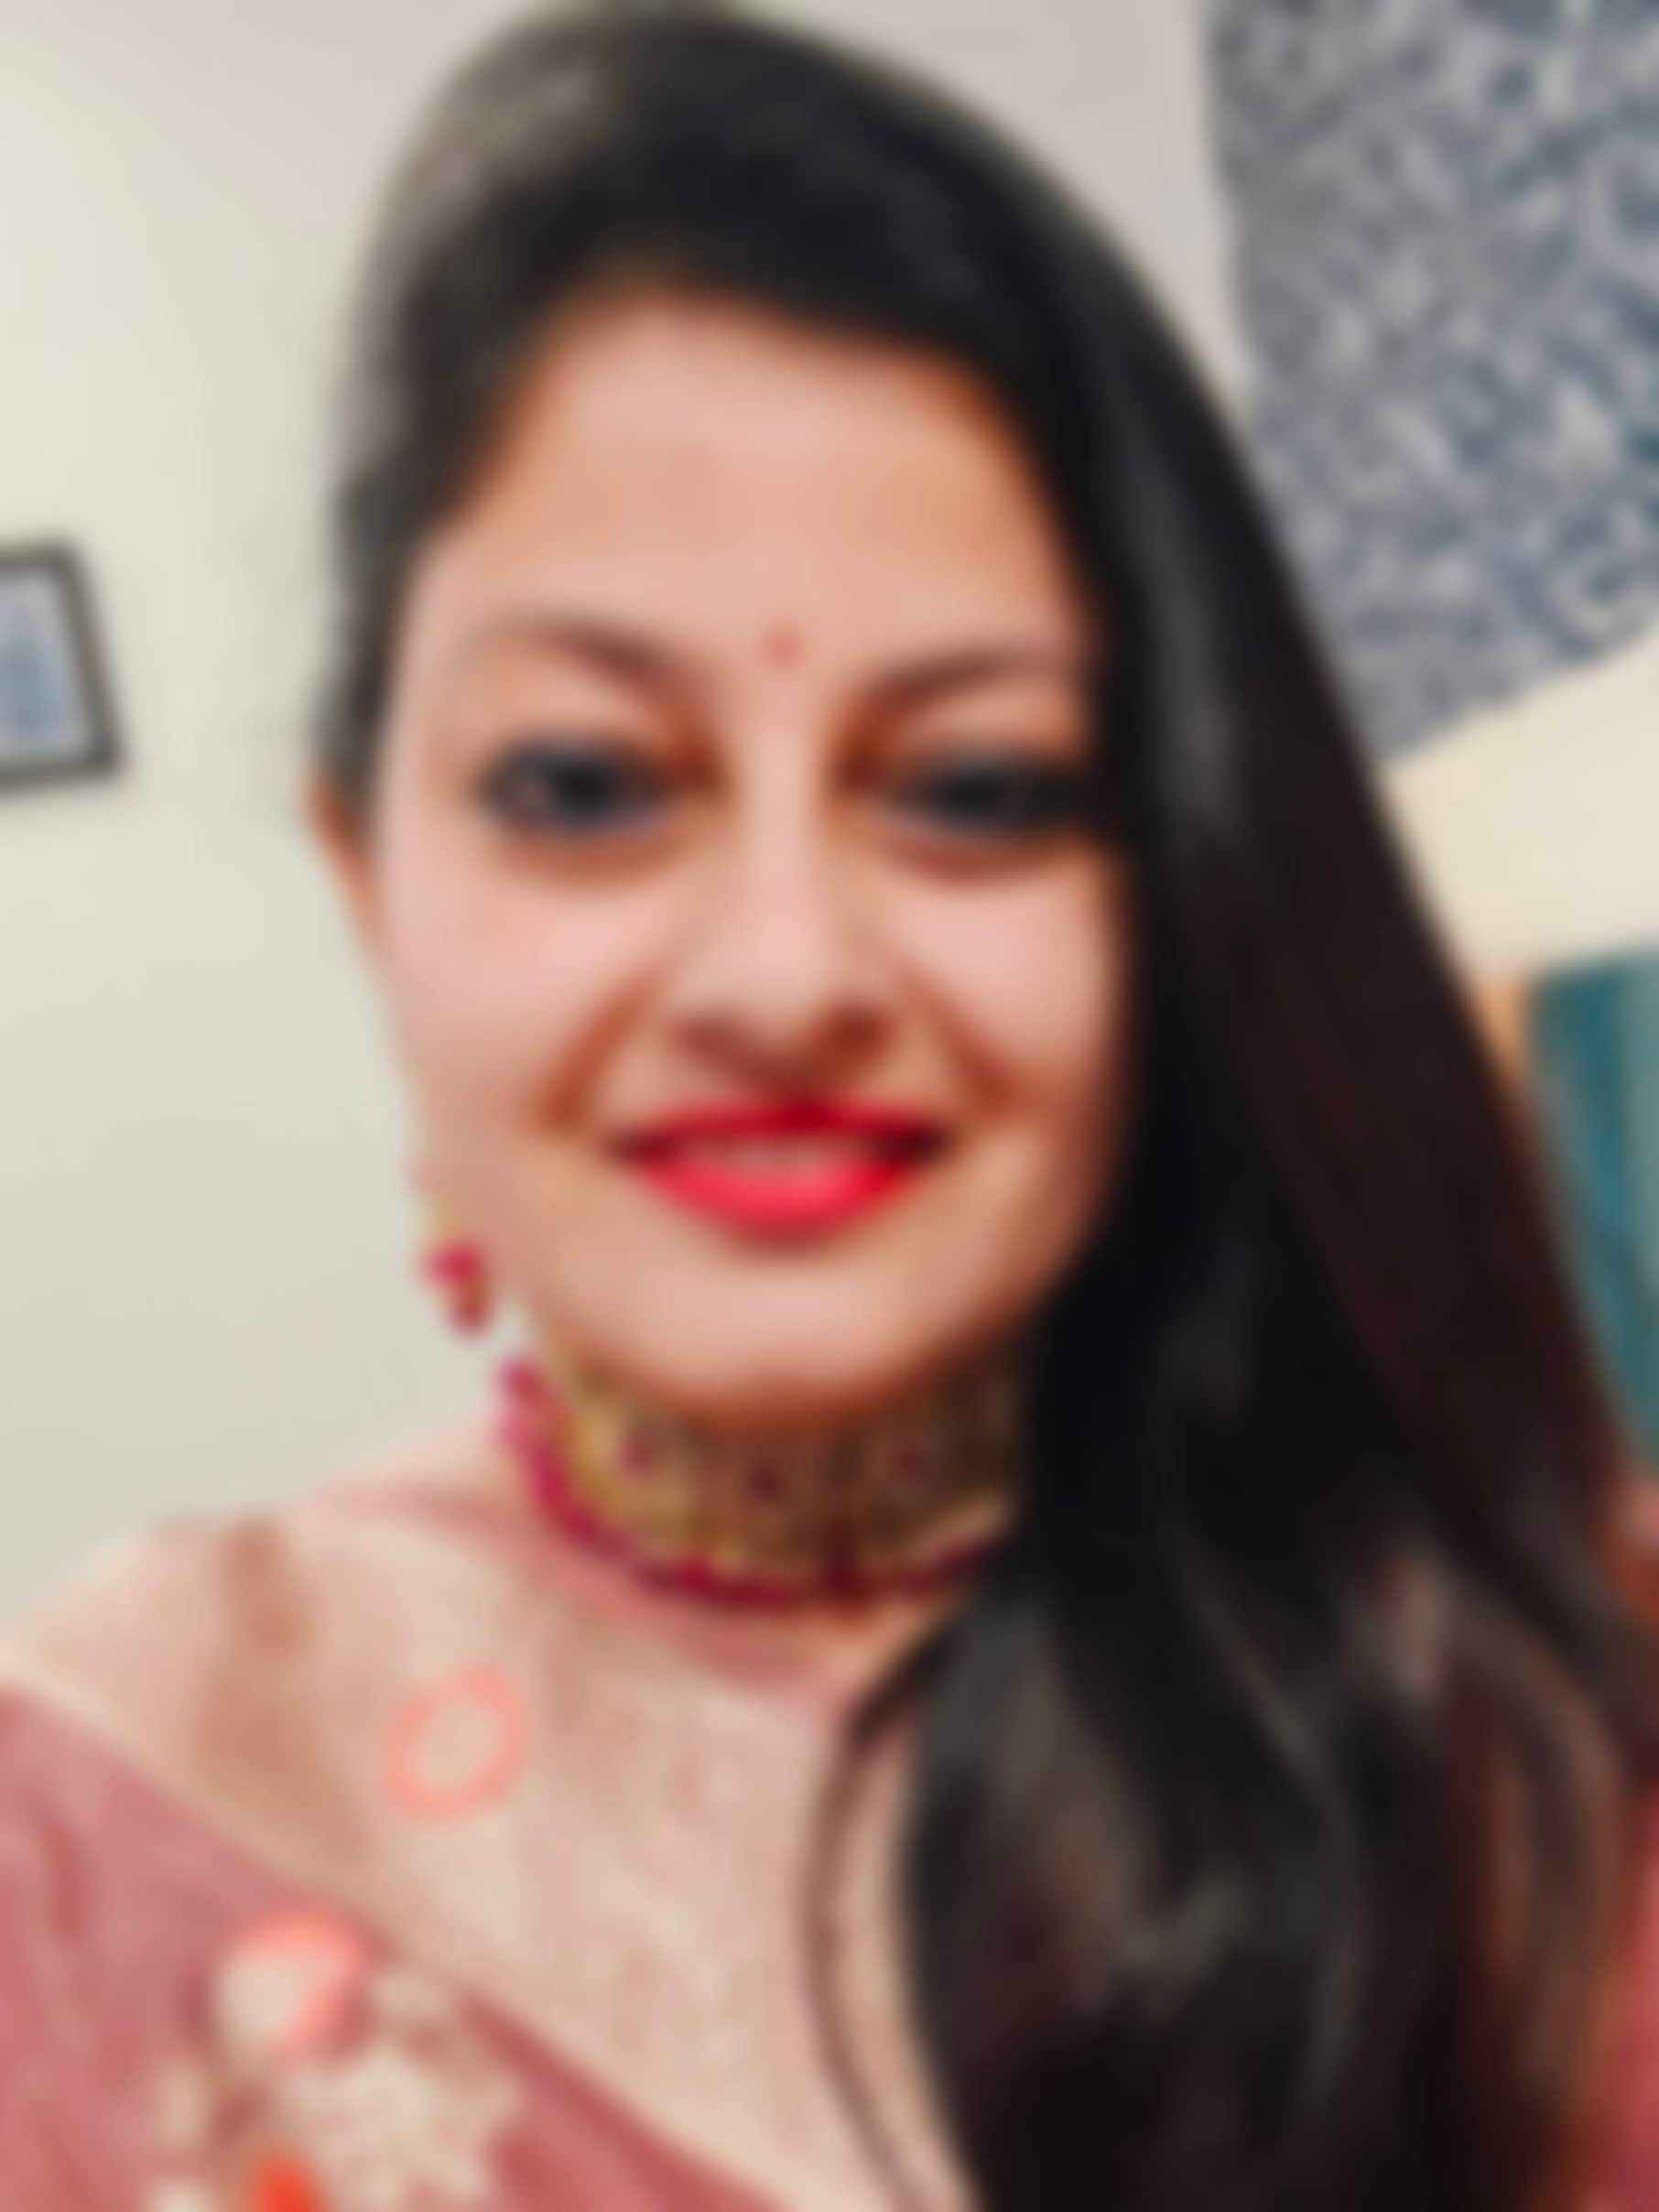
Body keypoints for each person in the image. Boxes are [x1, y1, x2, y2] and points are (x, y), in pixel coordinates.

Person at [1, 5, 1656, 2207]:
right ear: (364, 874)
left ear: (1176, 885)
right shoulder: (105, 1803)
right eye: (582, 782)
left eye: (977, 787)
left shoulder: (1523, 1691)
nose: (786, 973)